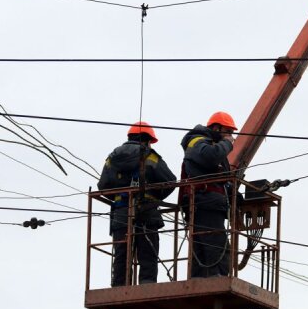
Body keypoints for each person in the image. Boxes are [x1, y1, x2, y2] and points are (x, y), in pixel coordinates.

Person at [98, 121, 176, 286]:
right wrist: (155, 195)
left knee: (121, 252)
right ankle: (147, 285)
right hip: (146, 211)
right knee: (148, 251)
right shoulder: (149, 155)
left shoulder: (111, 158)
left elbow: (103, 186)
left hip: (121, 213)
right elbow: (170, 181)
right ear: (146, 139)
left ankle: (119, 286)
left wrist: (121, 197)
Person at [179, 111, 238, 278]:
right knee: (215, 244)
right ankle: (216, 278)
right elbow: (210, 157)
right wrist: (227, 144)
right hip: (205, 202)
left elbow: (222, 177)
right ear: (216, 127)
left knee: (206, 243)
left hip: (209, 202)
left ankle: (202, 278)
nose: (231, 136)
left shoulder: (211, 145)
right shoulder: (198, 141)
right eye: (228, 131)